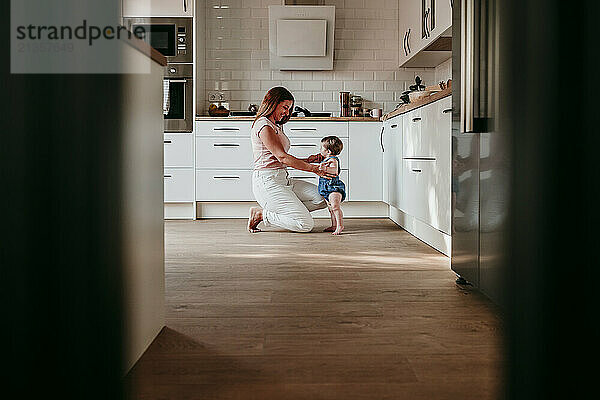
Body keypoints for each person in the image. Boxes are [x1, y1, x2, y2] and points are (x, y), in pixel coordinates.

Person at [247, 87, 335, 233]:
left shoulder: (276, 125)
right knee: (305, 225)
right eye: (285, 107)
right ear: (273, 103)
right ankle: (261, 214)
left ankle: (293, 213)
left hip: (283, 179)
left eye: (289, 108)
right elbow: (282, 157)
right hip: (268, 183)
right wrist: (315, 169)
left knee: (322, 197)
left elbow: (279, 159)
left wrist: (309, 160)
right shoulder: (264, 125)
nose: (287, 112)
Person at [317, 136, 346, 235]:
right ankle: (334, 225)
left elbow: (335, 171)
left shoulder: (333, 160)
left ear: (328, 151)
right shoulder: (326, 159)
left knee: (335, 207)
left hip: (333, 188)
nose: (320, 150)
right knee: (331, 208)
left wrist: (324, 169)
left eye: (322, 148)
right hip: (326, 188)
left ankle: (340, 225)